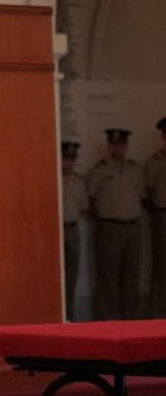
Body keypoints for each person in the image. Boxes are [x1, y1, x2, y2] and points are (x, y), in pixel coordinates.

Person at [87, 128, 147, 320]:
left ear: (126, 146)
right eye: (114, 145)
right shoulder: (99, 170)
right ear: (109, 146)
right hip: (110, 228)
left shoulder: (136, 170)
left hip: (133, 228)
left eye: (121, 145)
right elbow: (91, 199)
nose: (118, 149)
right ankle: (109, 321)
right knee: (108, 278)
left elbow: (143, 196)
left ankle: (132, 320)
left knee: (132, 277)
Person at [60, 141, 89, 320]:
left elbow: (83, 207)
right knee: (57, 278)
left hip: (72, 229)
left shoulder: (79, 181)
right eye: (66, 158)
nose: (68, 163)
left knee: (72, 276)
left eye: (72, 159)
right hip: (56, 230)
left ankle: (70, 316)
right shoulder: (52, 178)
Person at [145, 117, 166, 317]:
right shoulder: (155, 162)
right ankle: (159, 313)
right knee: (161, 266)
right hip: (162, 216)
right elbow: (148, 192)